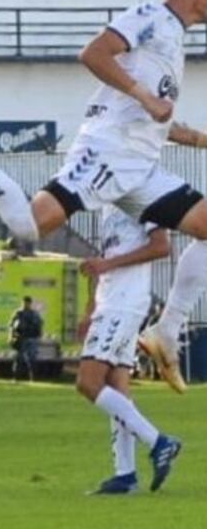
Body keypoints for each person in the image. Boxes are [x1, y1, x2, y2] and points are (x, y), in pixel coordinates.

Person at [0, 0, 207, 392]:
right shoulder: (150, 16)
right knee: (29, 225)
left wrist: (199, 138)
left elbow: (153, 120)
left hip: (138, 167)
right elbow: (94, 53)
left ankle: (164, 331)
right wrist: (145, 96)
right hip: (107, 155)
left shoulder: (173, 38)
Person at [77, 207, 181, 493]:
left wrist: (108, 266)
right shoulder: (107, 206)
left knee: (88, 382)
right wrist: (90, 310)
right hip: (111, 303)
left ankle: (160, 442)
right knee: (117, 388)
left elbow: (162, 246)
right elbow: (106, 262)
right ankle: (125, 475)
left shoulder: (140, 198)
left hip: (124, 304)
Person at [10, 296, 44, 378]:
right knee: (19, 359)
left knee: (32, 359)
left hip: (31, 338)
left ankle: (32, 377)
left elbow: (40, 325)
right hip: (22, 338)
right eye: (25, 302)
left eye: (27, 303)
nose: (26, 304)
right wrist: (13, 337)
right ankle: (17, 377)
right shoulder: (18, 313)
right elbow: (12, 325)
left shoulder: (34, 314)